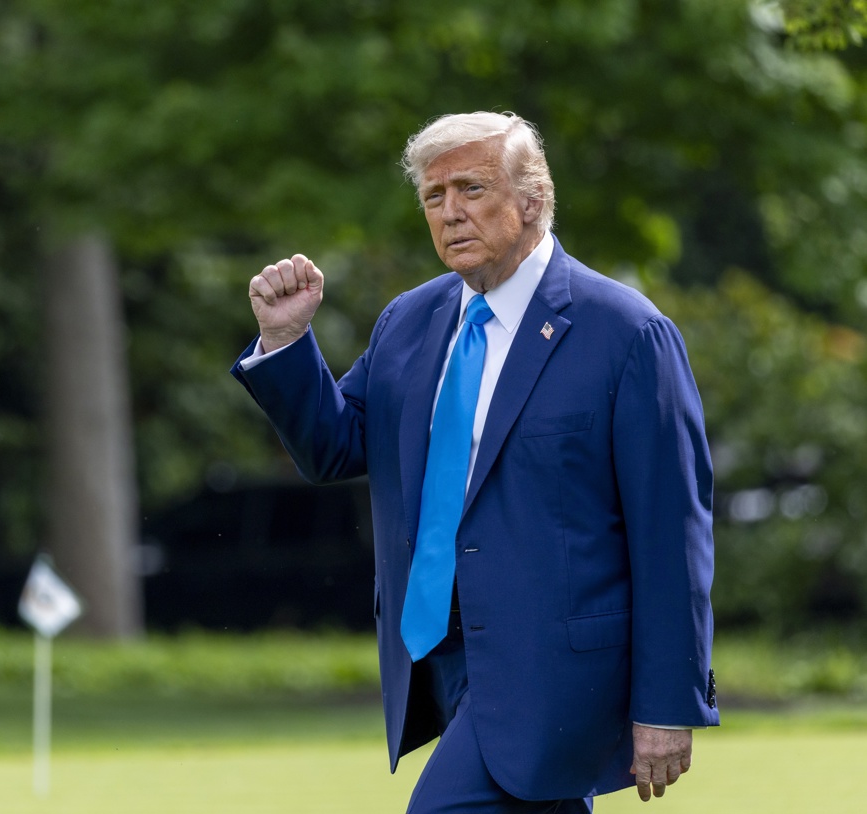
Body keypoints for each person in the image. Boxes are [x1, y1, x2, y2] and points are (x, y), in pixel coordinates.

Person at [230, 111, 718, 813]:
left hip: (555, 674)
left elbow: (672, 536)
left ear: (532, 200)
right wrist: (285, 344)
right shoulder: (409, 321)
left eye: (472, 189)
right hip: (436, 660)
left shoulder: (627, 333)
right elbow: (336, 447)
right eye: (434, 197)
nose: (451, 212)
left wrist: (669, 702)